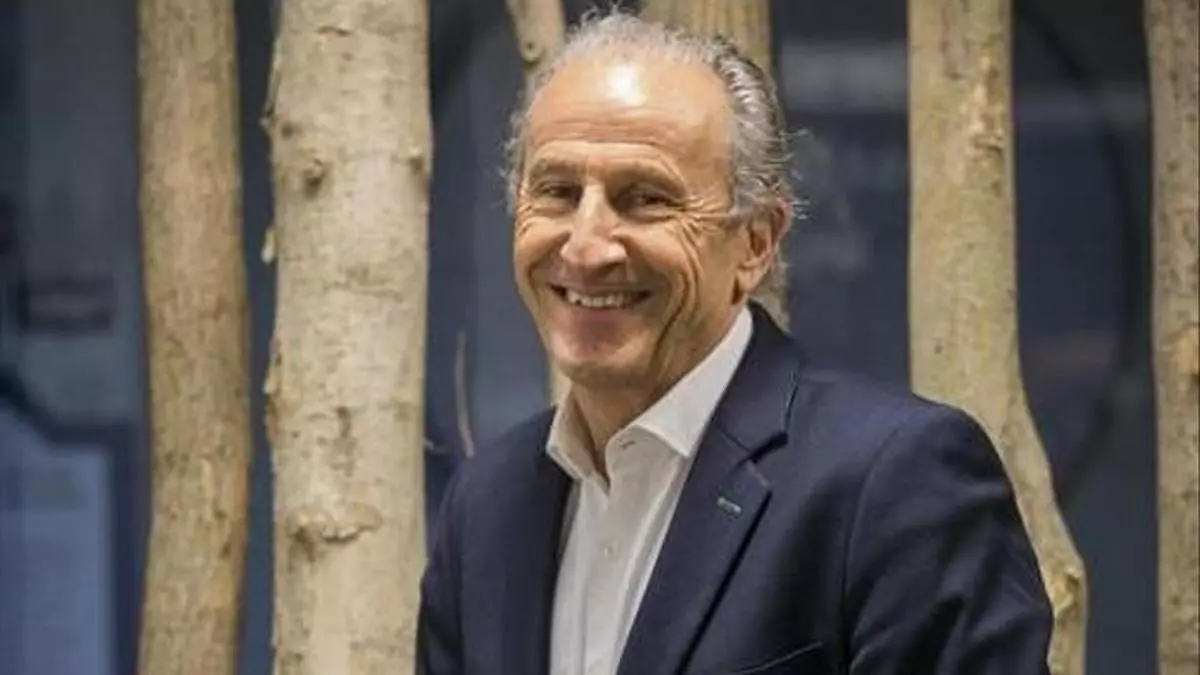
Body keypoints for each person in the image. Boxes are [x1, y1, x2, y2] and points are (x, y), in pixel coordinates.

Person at [416, 11, 1052, 675]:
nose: (585, 245)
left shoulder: (897, 483)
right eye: (557, 191)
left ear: (755, 242)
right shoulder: (485, 506)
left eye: (645, 198)